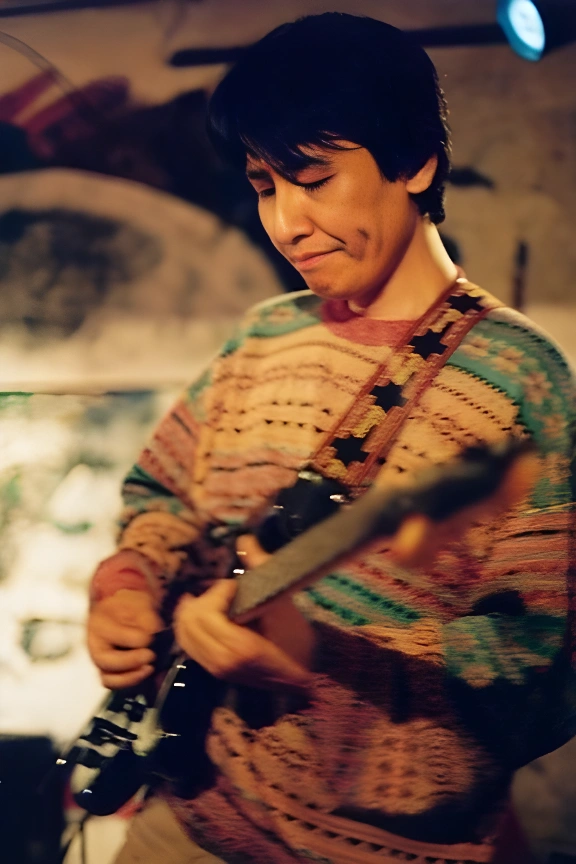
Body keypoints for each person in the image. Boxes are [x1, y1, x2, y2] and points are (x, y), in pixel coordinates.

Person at [86, 13, 575, 864]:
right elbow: (160, 497)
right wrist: (130, 587)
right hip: (190, 813)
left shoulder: (519, 381)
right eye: (265, 185)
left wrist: (320, 655)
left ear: (415, 161)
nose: (286, 223)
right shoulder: (262, 338)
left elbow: (543, 670)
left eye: (313, 178)